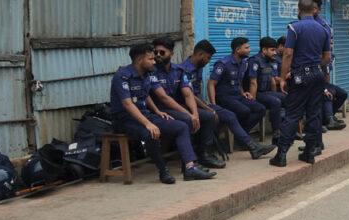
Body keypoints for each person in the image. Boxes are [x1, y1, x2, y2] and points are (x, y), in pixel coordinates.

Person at [109, 44, 215, 183]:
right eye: (151, 59)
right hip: (125, 119)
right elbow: (127, 104)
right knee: (151, 133)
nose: (154, 62)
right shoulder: (122, 76)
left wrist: (158, 112)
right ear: (140, 60)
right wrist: (148, 124)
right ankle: (162, 169)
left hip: (145, 115)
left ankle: (190, 168)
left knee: (181, 127)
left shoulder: (147, 74)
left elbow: (145, 95)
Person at [181, 41, 276, 160]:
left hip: (203, 103)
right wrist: (211, 106)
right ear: (200, 55)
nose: (209, 61)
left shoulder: (198, 67)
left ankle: (250, 145)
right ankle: (251, 146)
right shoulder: (184, 70)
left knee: (244, 112)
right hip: (190, 106)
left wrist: (209, 104)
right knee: (235, 113)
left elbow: (197, 92)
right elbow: (190, 95)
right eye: (208, 58)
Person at [271, 0, 332, 168]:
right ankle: (310, 152)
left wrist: (283, 78)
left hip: (300, 76)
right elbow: (327, 57)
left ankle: (281, 154)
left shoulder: (294, 27)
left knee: (293, 113)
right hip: (318, 75)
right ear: (314, 10)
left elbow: (288, 54)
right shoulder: (324, 29)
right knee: (313, 113)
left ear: (298, 11)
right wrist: (314, 68)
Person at [149, 39, 224, 169]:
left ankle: (205, 154)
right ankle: (189, 163)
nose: (158, 55)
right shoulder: (151, 72)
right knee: (187, 119)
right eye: (155, 52)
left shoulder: (178, 70)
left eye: (162, 52)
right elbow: (164, 98)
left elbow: (188, 94)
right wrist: (189, 115)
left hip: (178, 108)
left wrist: (195, 113)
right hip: (160, 110)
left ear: (171, 53)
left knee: (208, 116)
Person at [209, 37, 267, 137]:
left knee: (260, 108)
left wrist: (243, 92)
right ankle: (242, 137)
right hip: (224, 97)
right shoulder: (223, 64)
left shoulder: (244, 63)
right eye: (247, 48)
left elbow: (238, 80)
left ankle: (241, 134)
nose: (250, 50)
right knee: (245, 111)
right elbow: (211, 84)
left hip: (237, 96)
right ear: (238, 50)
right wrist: (214, 105)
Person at [310, 0, 347, 131]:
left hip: (318, 74)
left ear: (319, 10)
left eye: (314, 8)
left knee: (340, 93)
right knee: (326, 92)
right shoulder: (299, 24)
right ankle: (327, 119)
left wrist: (326, 85)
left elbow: (326, 69)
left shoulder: (324, 27)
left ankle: (328, 117)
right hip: (308, 76)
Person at [246, 37, 285, 146]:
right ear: (264, 50)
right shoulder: (254, 61)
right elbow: (253, 82)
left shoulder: (270, 60)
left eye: (275, 50)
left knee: (287, 98)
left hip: (266, 92)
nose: (275, 53)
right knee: (275, 102)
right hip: (256, 93)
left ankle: (287, 130)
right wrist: (252, 100)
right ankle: (277, 133)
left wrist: (277, 93)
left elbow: (272, 80)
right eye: (272, 50)